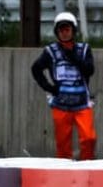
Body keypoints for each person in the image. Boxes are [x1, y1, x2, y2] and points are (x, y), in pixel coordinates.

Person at [32, 12, 97, 160]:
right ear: (57, 32)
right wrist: (49, 87)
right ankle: (65, 173)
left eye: (67, 29)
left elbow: (90, 70)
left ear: (73, 30)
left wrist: (73, 56)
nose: (64, 33)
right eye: (61, 30)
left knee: (89, 138)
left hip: (82, 104)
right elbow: (35, 69)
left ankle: (87, 166)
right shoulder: (50, 51)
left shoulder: (84, 49)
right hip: (60, 104)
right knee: (63, 144)